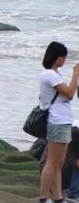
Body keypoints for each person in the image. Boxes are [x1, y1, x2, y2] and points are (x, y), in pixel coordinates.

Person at [39, 41, 79, 203]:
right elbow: (69, 94)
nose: (64, 59)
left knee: (59, 162)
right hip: (57, 121)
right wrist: (75, 73)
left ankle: (58, 198)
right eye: (63, 56)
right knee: (52, 161)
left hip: (63, 121)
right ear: (56, 56)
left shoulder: (55, 75)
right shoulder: (49, 75)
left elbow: (71, 94)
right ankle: (43, 198)